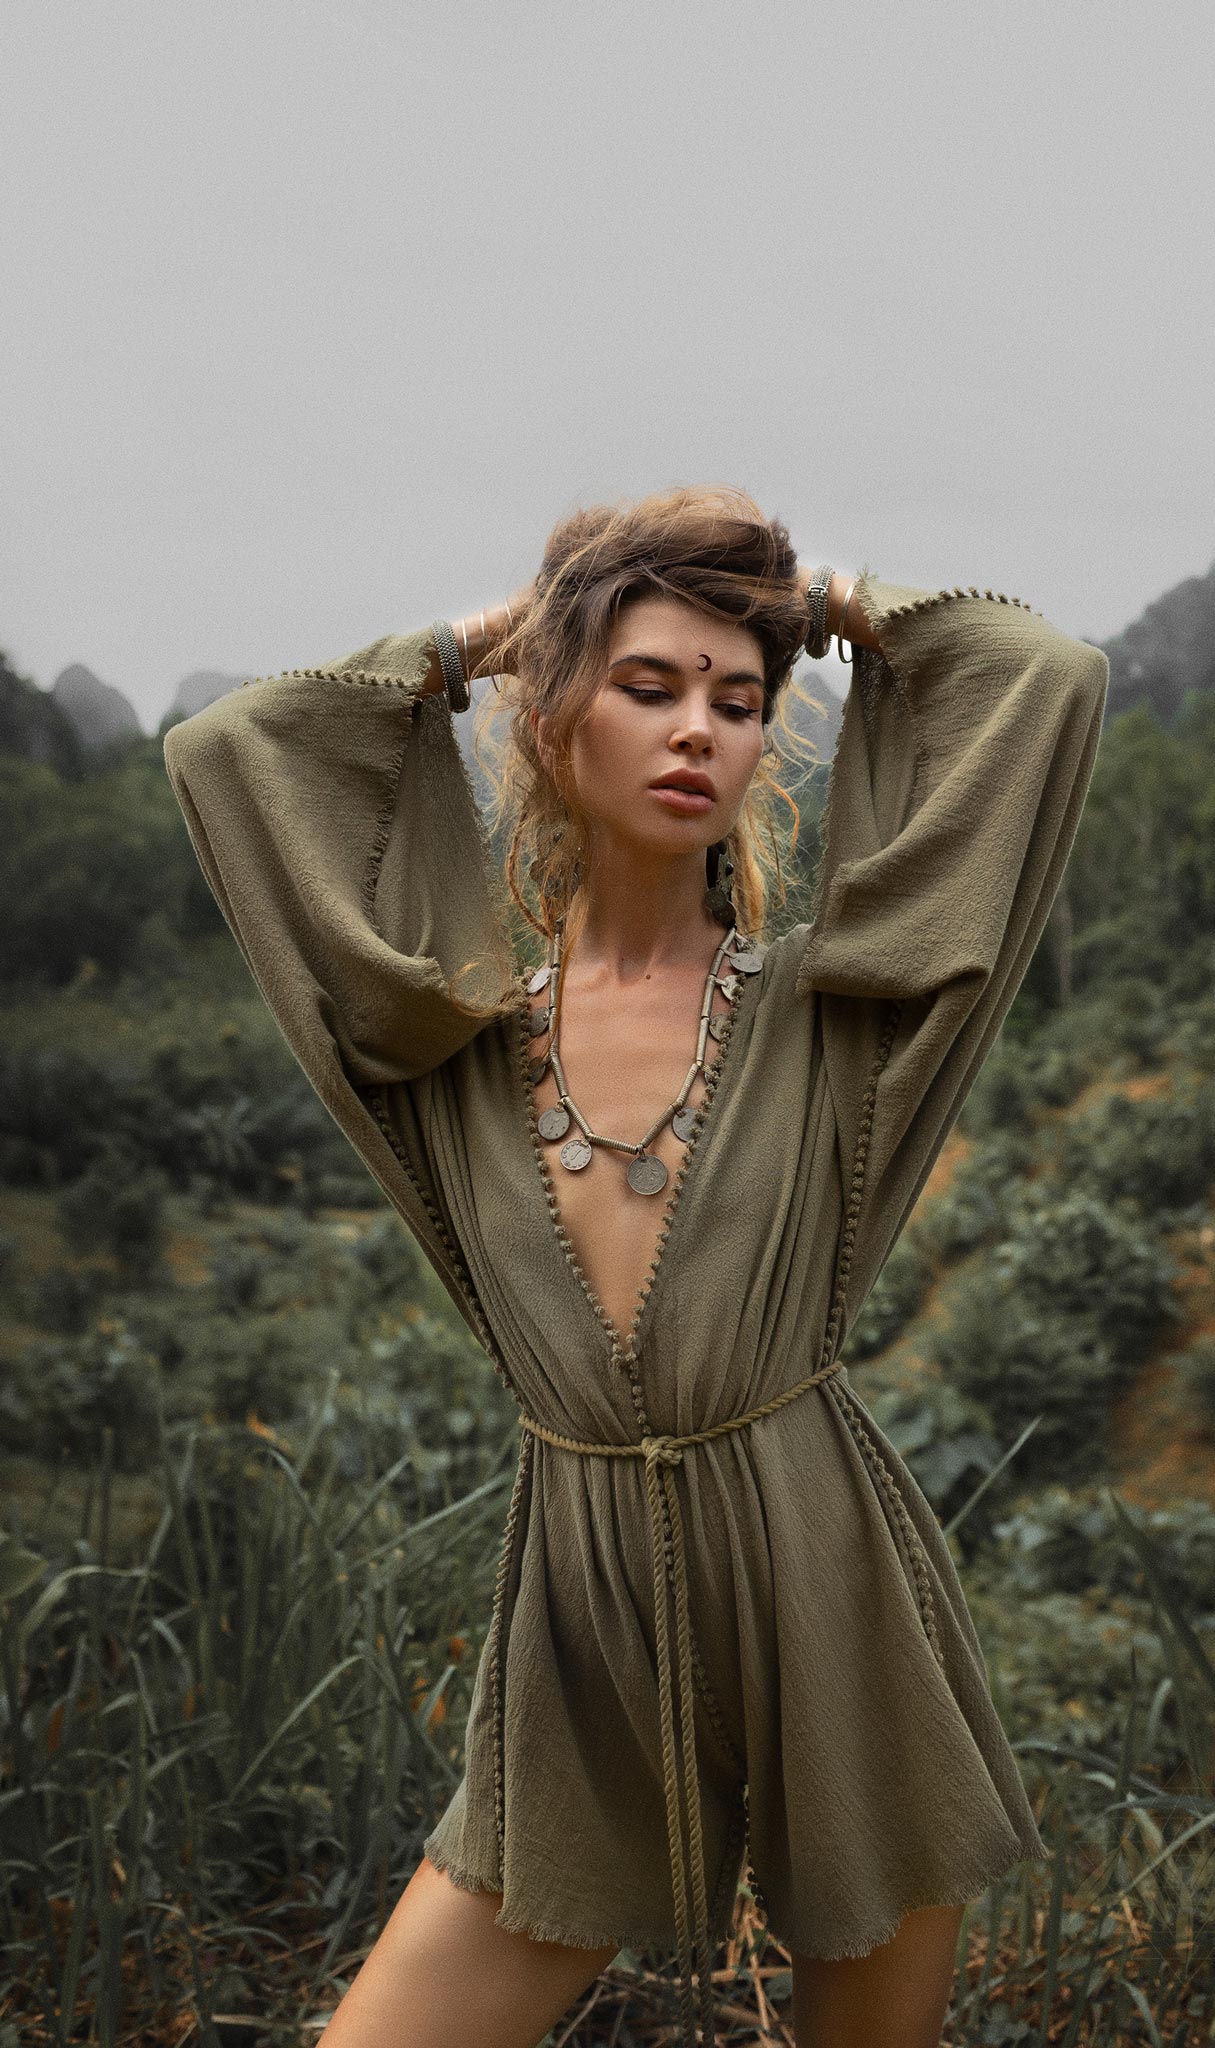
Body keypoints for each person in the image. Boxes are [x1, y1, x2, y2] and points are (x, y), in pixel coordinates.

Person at [163, 484, 1109, 2048]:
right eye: (648, 685)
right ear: (552, 717)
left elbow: (1048, 682)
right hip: (580, 1622)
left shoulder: (837, 1013)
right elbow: (225, 755)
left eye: (740, 703)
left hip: (829, 1590)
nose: (701, 733)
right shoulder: (450, 1036)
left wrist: (834, 607)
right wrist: (489, 643)